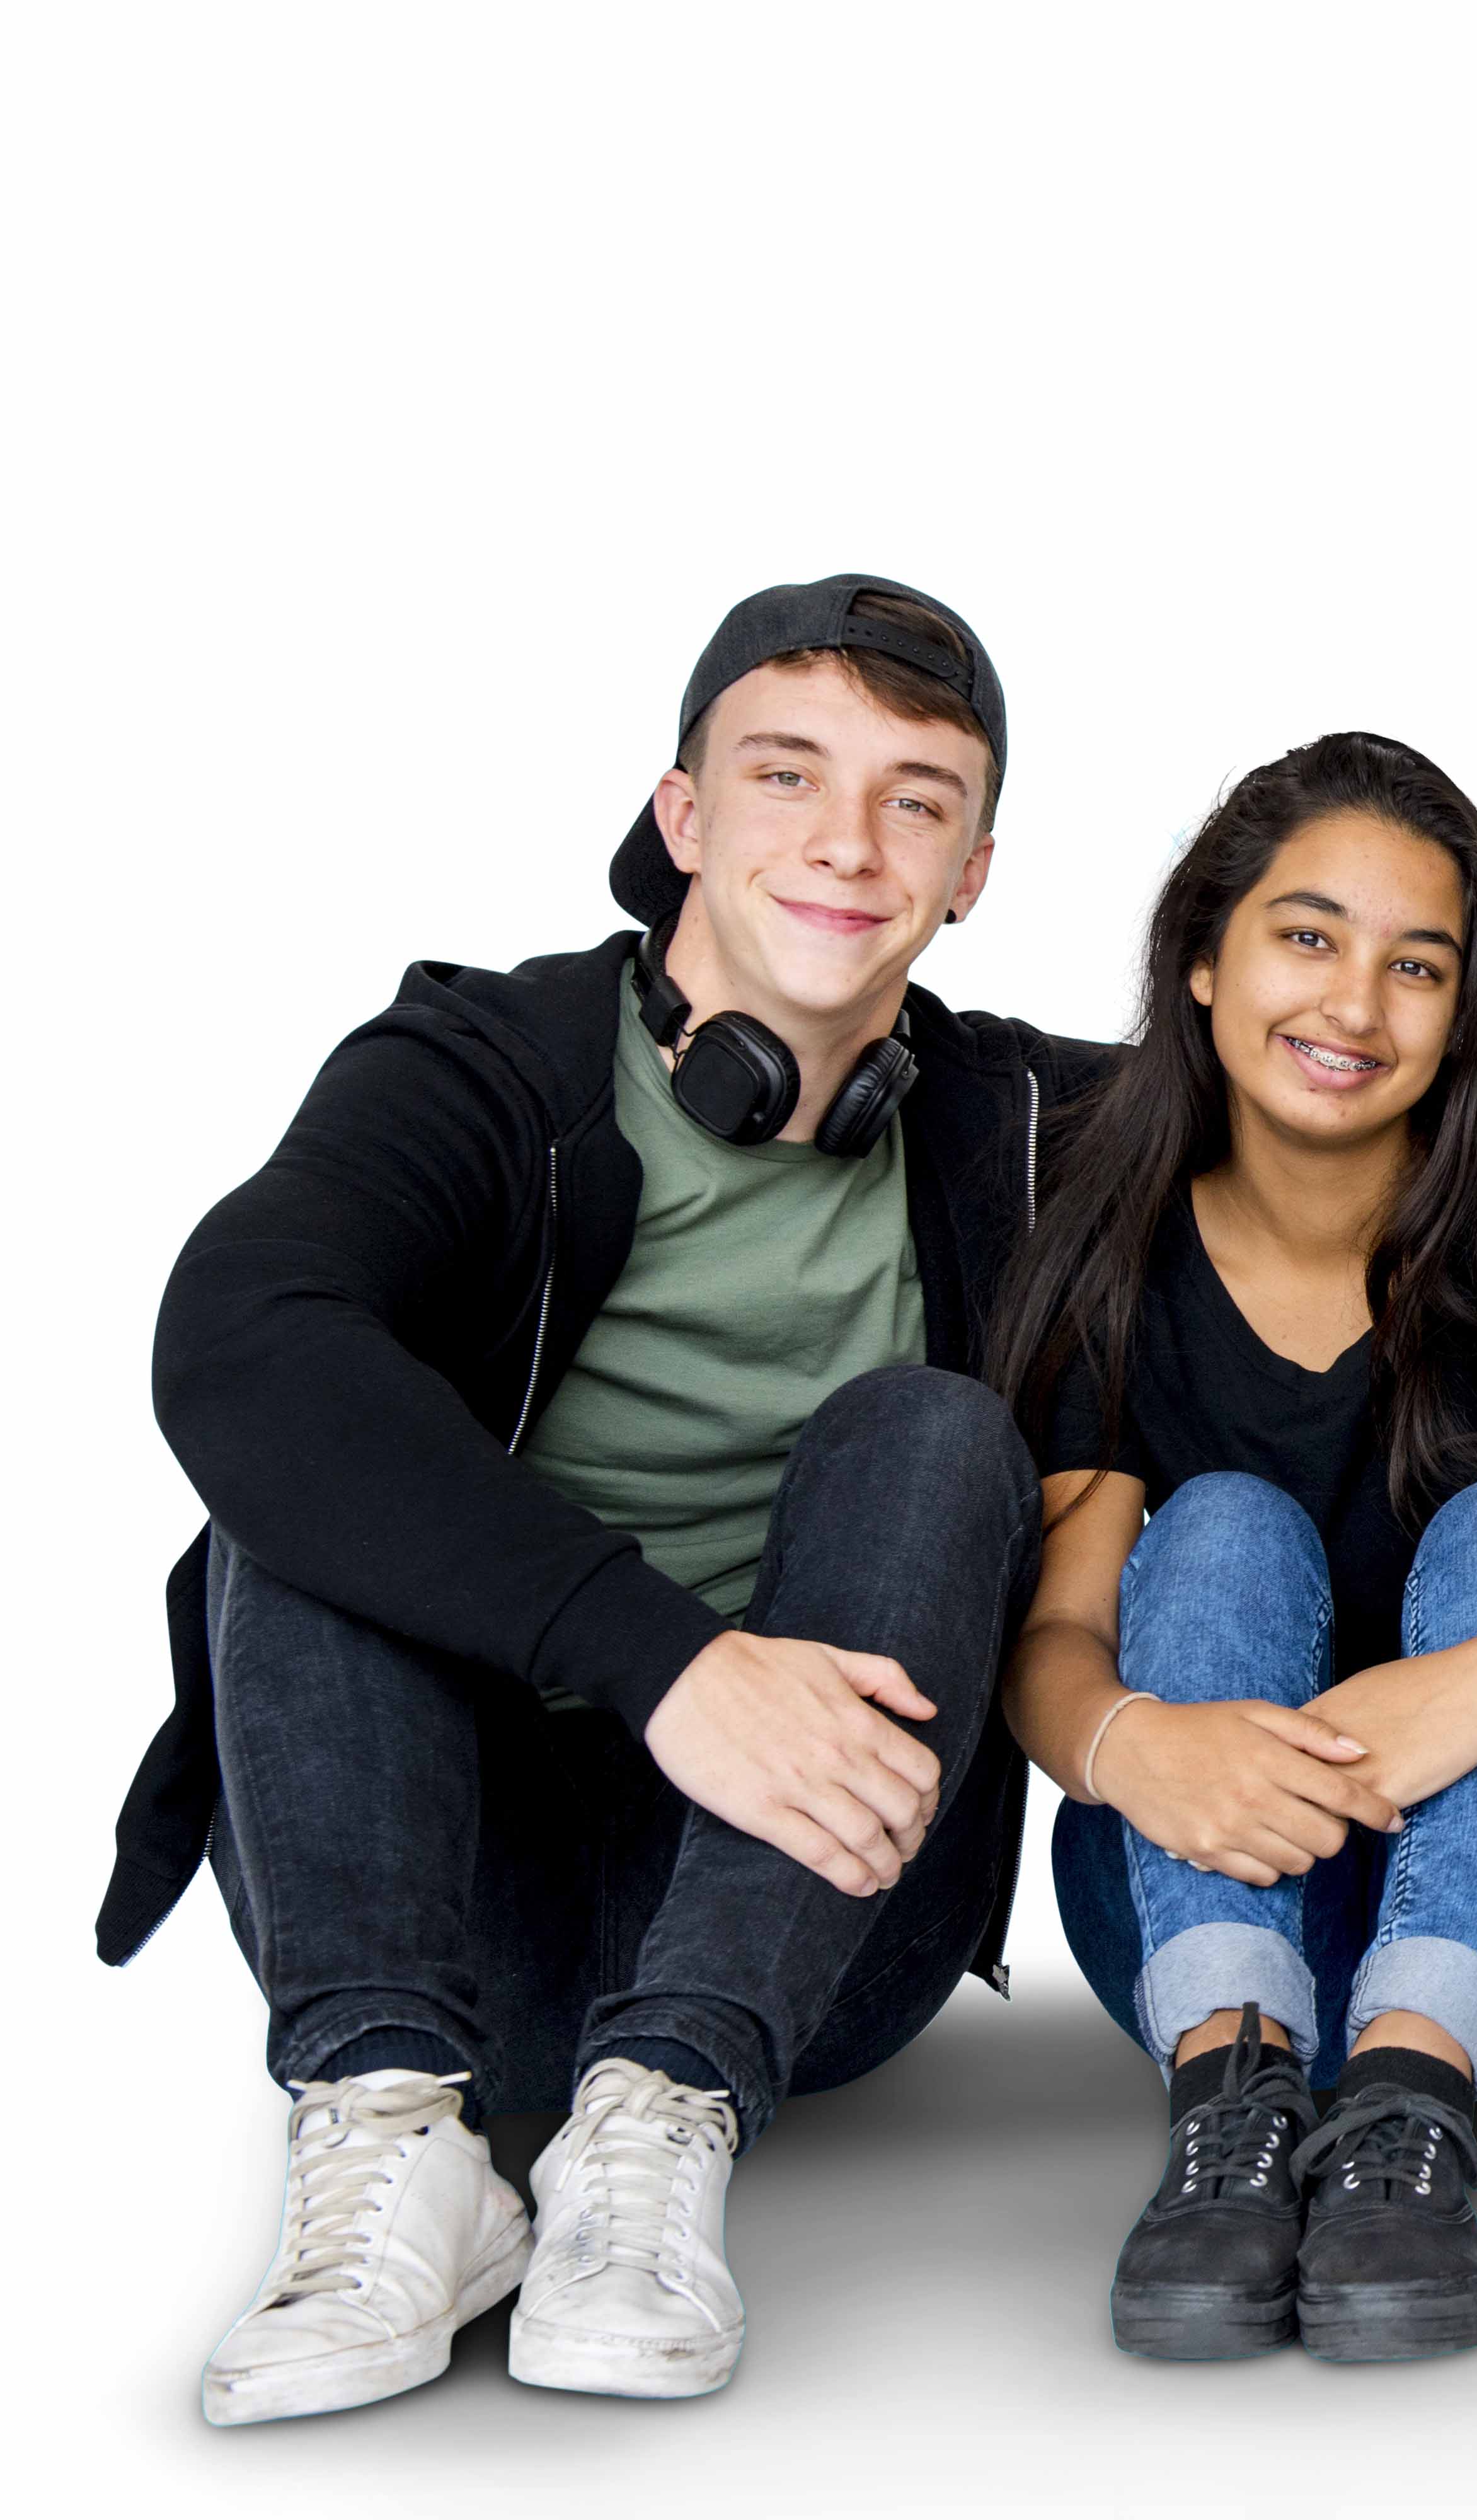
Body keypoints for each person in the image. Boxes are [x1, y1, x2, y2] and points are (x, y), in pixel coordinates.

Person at [124, 575, 1103, 2421]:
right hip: (432, 1888)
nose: (845, 842)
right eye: (786, 775)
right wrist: (666, 1662)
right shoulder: (482, 1068)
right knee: (325, 1430)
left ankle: (663, 2128)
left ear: (973, 868)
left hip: (811, 1918)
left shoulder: (1027, 1124)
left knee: (934, 1432)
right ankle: (394, 2134)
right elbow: (237, 1339)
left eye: (915, 798)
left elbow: (1384, 1080)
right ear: (682, 821)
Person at [991, 733, 1477, 2362]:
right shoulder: (1108, 1245)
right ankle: (1230, 2112)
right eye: (1306, 937)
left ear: (1465, 1011)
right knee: (1219, 1525)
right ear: (1202, 955)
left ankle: (1409, 2103)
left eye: (1417, 966)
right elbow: (1051, 1646)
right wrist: (1131, 1741)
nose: (1354, 1005)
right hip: (1194, 1918)